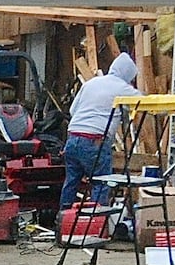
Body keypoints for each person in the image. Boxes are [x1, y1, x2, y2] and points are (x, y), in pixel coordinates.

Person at [58, 52, 142, 211]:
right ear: (128, 75)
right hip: (94, 142)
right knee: (101, 183)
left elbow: (72, 110)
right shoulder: (122, 87)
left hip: (72, 139)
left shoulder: (91, 83)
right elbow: (144, 103)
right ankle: (96, 225)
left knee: (71, 183)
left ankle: (64, 221)